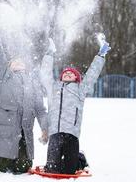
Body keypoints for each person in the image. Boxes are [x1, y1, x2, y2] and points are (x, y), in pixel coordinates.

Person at [0, 21, 48, 174]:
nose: (17, 62)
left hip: (25, 132)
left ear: (26, 66)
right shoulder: (6, 76)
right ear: (9, 66)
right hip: (7, 130)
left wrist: (45, 128)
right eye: (14, 61)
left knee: (22, 168)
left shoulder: (33, 83)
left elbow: (41, 110)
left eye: (20, 61)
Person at [41, 34, 111, 174]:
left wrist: (101, 56)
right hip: (55, 132)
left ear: (77, 78)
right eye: (65, 73)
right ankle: (55, 162)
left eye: (71, 74)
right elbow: (45, 73)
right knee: (52, 169)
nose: (67, 74)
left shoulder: (80, 89)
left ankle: (80, 157)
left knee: (69, 170)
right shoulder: (53, 87)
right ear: (61, 77)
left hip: (71, 133)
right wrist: (49, 54)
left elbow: (92, 75)